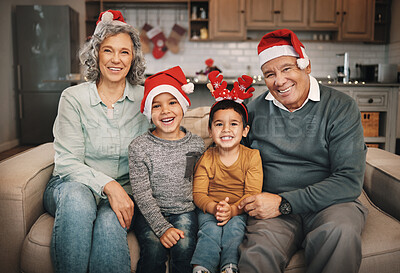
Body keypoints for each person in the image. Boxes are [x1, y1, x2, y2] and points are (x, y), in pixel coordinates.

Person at [237, 29, 368, 273]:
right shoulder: (253, 110)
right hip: (271, 208)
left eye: (287, 69)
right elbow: (233, 160)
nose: (279, 81)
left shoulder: (340, 107)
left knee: (340, 233)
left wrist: (284, 203)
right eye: (269, 74)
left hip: (330, 204)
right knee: (257, 255)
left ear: (306, 67)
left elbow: (349, 181)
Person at [43, 10, 149, 273]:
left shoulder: (146, 100)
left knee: (110, 222)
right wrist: (109, 185)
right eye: (108, 50)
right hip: (71, 186)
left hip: (125, 192)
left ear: (133, 57)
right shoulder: (73, 98)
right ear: (96, 54)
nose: (116, 59)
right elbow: (67, 163)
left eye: (124, 52)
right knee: (78, 198)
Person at [128, 66, 205, 273]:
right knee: (153, 250)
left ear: (182, 106)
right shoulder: (139, 147)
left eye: (172, 102)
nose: (165, 111)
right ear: (148, 112)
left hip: (185, 211)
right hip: (150, 212)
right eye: (156, 105)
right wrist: (162, 228)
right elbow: (142, 194)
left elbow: (200, 180)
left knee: (186, 247)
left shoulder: (197, 145)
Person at [191, 73, 263, 273]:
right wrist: (214, 208)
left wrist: (233, 210)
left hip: (239, 209)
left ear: (245, 130)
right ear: (210, 130)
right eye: (219, 124)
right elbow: (198, 194)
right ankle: (202, 267)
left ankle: (229, 267)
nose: (226, 130)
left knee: (235, 230)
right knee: (209, 230)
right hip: (210, 209)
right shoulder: (207, 157)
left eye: (234, 124)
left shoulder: (252, 157)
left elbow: (252, 193)